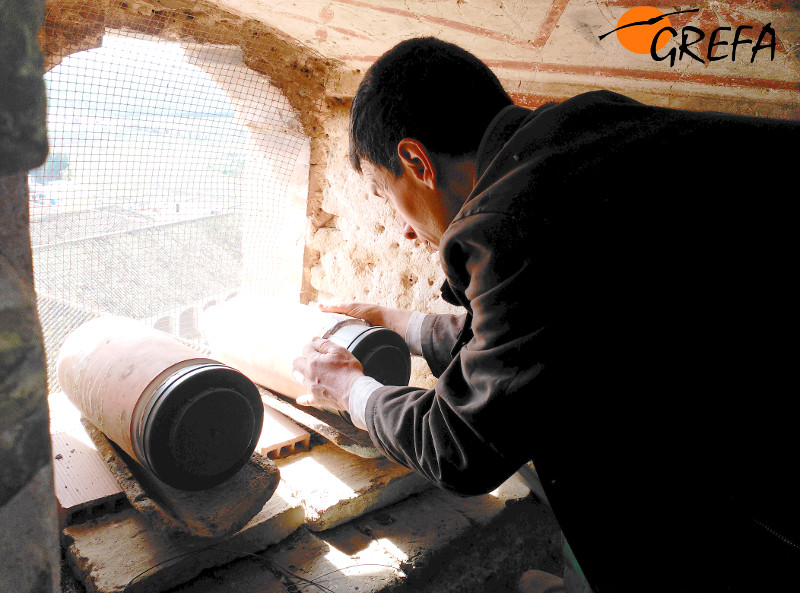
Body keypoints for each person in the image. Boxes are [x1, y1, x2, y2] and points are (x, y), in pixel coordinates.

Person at [291, 37, 799, 592]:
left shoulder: (506, 221)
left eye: (385, 196)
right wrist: (405, 325)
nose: (406, 230)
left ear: (416, 161)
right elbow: (554, 330)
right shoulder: (587, 130)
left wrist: (348, 390)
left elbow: (460, 447)